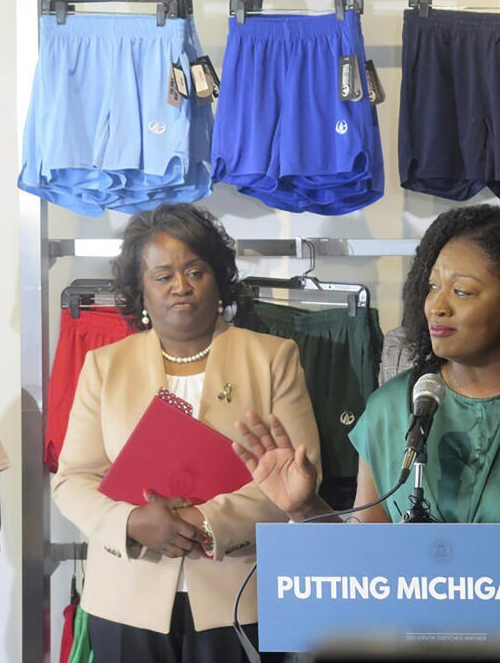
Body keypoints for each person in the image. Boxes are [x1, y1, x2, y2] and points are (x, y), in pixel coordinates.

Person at [233, 204, 500, 547]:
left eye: (462, 291)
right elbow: (363, 566)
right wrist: (305, 508)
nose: (437, 306)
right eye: (432, 287)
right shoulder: (391, 409)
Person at [52, 204, 323, 662]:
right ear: (140, 289)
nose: (180, 286)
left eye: (195, 271)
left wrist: (206, 521)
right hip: (125, 598)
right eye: (162, 276)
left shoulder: (274, 358)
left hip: (239, 595)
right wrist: (132, 523)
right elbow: (72, 480)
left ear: (217, 278)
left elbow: (298, 476)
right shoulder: (104, 366)